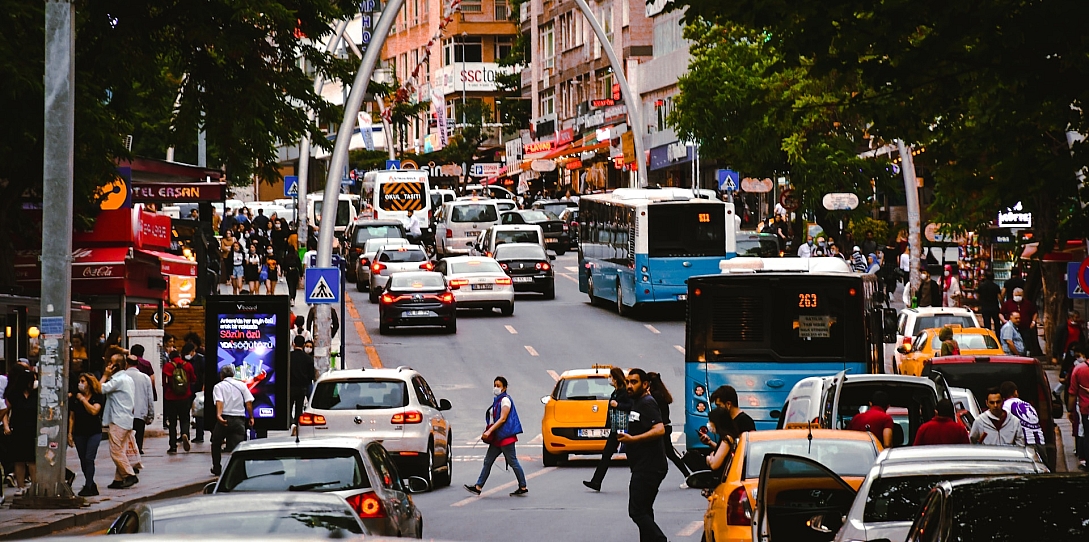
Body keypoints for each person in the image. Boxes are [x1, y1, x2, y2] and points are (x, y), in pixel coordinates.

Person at [616, 369, 668, 542]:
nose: (629, 386)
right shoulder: (636, 402)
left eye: (634, 382)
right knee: (645, 509)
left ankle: (660, 539)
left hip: (649, 466)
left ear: (645, 384)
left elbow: (659, 429)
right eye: (628, 382)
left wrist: (633, 439)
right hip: (642, 465)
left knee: (636, 511)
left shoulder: (647, 403)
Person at [465, 376, 528, 497]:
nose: (496, 388)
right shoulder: (498, 400)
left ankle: (523, 486)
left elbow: (503, 418)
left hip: (505, 437)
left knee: (512, 461)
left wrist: (489, 431)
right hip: (497, 438)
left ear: (504, 388)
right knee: (488, 461)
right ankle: (478, 487)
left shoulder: (505, 401)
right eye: (495, 385)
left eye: (498, 386)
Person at [584, 367, 633, 491]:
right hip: (615, 428)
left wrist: (618, 405)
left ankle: (639, 479)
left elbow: (631, 406)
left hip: (624, 427)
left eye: (611, 377)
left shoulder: (624, 392)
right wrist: (608, 424)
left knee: (632, 455)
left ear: (615, 378)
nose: (609, 379)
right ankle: (596, 481)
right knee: (606, 455)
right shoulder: (616, 392)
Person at [99, 354, 139, 489]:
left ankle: (129, 475)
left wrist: (105, 375)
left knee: (115, 451)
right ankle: (119, 478)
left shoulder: (118, 380)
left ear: (116, 366)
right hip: (125, 418)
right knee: (121, 449)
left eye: (110, 362)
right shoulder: (126, 379)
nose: (108, 365)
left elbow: (100, 388)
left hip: (118, 419)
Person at [210, 365, 254, 476]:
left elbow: (219, 401)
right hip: (239, 419)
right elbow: (249, 402)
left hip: (224, 418)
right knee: (238, 447)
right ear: (233, 375)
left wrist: (219, 415)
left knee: (216, 443)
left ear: (221, 375)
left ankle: (217, 467)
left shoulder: (218, 386)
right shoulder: (242, 385)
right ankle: (240, 470)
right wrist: (251, 417)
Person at [646, 372, 690, 481]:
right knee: (667, 453)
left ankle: (687, 475)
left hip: (661, 428)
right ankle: (687, 475)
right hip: (666, 426)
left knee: (667, 454)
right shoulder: (661, 393)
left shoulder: (654, 396)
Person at [2, 367, 37, 495]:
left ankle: (34, 486)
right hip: (18, 429)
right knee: (19, 459)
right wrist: (6, 425)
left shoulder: (36, 395)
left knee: (32, 459)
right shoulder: (14, 394)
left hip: (33, 430)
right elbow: (5, 410)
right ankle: (21, 486)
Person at [67, 372, 104, 496]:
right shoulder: (74, 398)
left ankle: (88, 485)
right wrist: (70, 433)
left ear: (89, 383)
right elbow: (72, 417)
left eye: (83, 381)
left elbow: (94, 411)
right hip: (79, 432)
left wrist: (83, 400)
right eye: (79, 381)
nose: (80, 384)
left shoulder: (97, 397)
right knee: (83, 459)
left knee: (89, 458)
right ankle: (91, 483)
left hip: (94, 432)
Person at [1000, 381, 1047, 461]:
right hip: (1040, 441)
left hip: (1025, 445)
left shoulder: (1006, 406)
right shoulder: (1028, 405)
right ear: (1015, 392)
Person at [163, 349, 197, 454]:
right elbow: (193, 379)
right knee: (185, 419)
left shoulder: (168, 366)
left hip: (171, 398)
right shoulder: (188, 365)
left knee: (172, 422)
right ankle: (185, 433)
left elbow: (164, 383)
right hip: (185, 397)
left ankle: (173, 446)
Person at [124, 353, 154, 455]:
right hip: (140, 412)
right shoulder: (145, 378)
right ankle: (137, 453)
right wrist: (151, 415)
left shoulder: (121, 377)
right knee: (138, 438)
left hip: (124, 413)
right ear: (137, 364)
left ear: (126, 363)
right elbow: (150, 397)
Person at [1000, 287, 1040, 356]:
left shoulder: (1027, 304)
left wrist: (1033, 322)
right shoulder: (1008, 303)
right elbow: (1001, 313)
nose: (1018, 297)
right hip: (1013, 328)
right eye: (1016, 295)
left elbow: (1035, 312)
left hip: (1025, 327)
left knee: (1026, 342)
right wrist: (1004, 321)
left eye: (1020, 295)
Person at [1067, 349, 1089, 469]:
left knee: (1086, 434)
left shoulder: (1079, 369)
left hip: (1085, 409)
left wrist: (1070, 410)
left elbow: (1072, 393)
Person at [702, 406, 740, 474]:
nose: (709, 424)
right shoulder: (728, 436)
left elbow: (714, 465)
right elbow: (722, 451)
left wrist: (709, 458)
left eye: (710, 421)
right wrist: (710, 443)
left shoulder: (727, 439)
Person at [289, 335, 317, 424]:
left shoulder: (289, 357)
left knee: (289, 407)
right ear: (304, 345)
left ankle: (290, 422)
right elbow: (311, 375)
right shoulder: (308, 359)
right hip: (302, 387)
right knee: (299, 407)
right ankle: (297, 423)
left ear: (293, 344)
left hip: (290, 386)